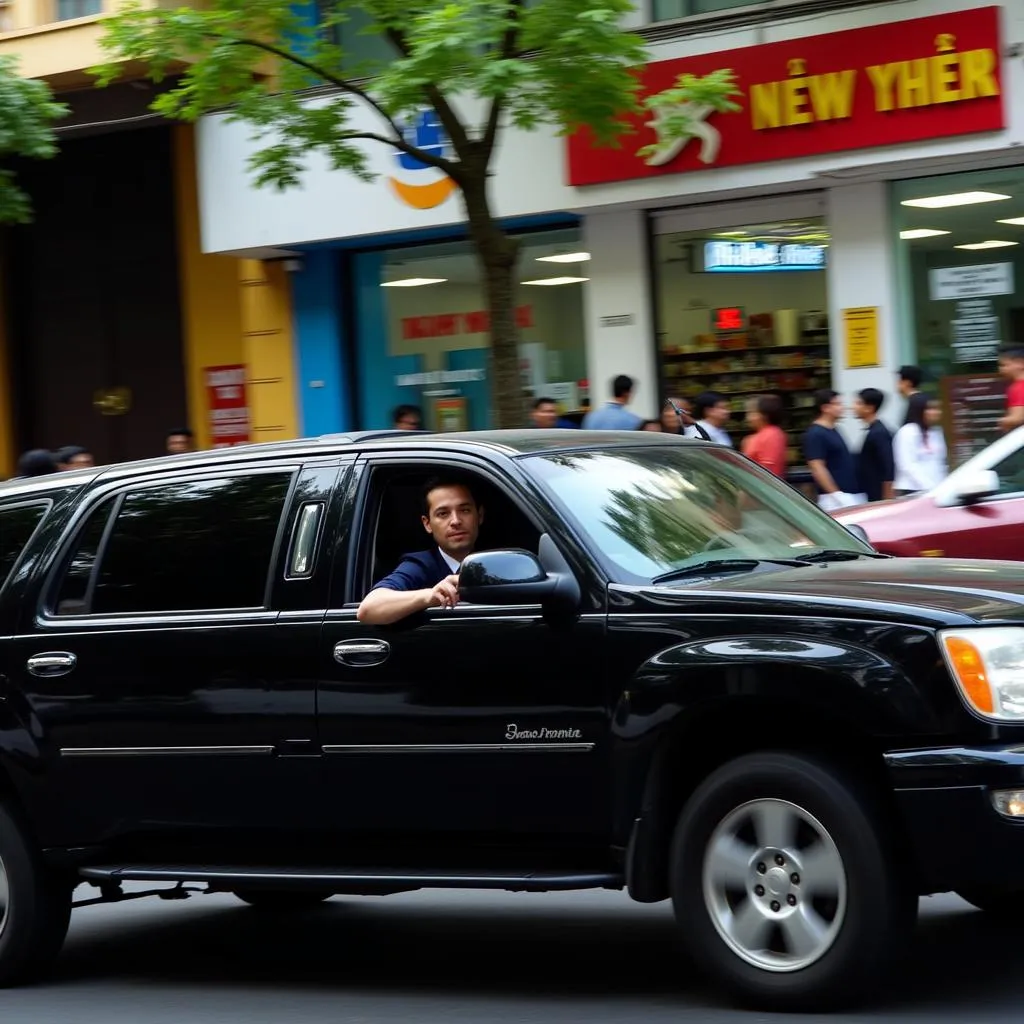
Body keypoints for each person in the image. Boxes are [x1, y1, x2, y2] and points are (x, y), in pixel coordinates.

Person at [356, 475, 484, 625]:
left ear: (480, 515)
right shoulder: (421, 565)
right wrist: (430, 596)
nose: (455, 521)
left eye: (465, 510)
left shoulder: (496, 562)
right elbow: (368, 609)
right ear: (427, 524)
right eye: (443, 513)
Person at [802, 389, 864, 510]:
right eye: (837, 404)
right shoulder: (815, 433)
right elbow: (817, 466)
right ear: (825, 408)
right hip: (833, 500)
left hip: (849, 495)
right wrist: (836, 494)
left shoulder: (835, 429)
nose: (842, 407)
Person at [893, 393, 947, 496]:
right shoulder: (907, 432)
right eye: (931, 409)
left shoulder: (936, 432)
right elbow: (907, 465)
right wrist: (929, 488)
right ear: (919, 410)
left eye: (937, 408)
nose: (936, 412)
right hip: (911, 490)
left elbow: (941, 463)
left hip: (936, 490)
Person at [852, 388, 894, 502]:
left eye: (858, 403)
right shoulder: (872, 430)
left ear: (869, 408)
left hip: (878, 497)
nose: (853, 407)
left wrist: (887, 500)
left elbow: (888, 467)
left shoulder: (879, 433)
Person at [740, 394, 787, 477]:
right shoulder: (760, 435)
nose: (748, 418)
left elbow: (768, 470)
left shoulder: (771, 435)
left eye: (751, 413)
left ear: (764, 415)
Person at [998, 346, 1024, 434]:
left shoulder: (1019, 387)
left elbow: (1018, 417)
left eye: (1004, 365)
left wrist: (1003, 421)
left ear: (1020, 363)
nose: (1001, 369)